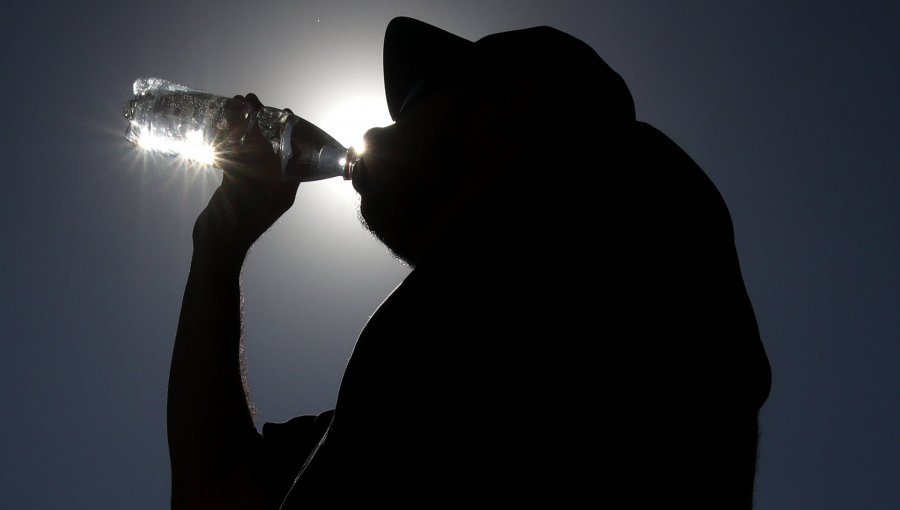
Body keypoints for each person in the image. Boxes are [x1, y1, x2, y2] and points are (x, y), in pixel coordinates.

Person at [167, 16, 772, 509]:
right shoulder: (379, 410)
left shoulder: (640, 204)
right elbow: (215, 494)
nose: (377, 128)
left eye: (422, 99)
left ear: (519, 105)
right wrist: (218, 248)